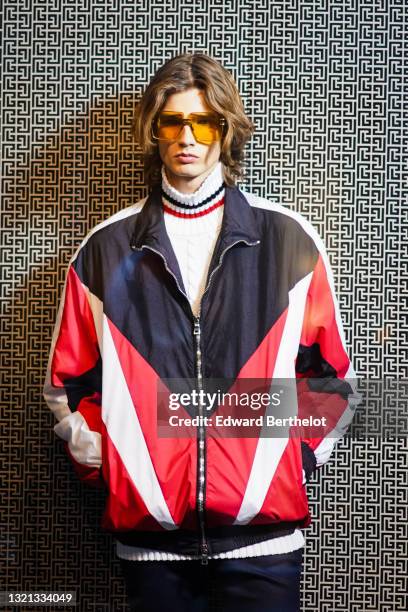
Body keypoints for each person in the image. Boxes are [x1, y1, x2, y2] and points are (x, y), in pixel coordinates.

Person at [43, 53, 358, 611]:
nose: (187, 136)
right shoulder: (104, 251)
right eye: (172, 121)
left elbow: (329, 377)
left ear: (225, 130)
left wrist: (287, 458)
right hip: (151, 546)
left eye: (203, 121)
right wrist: (114, 464)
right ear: (154, 131)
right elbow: (68, 386)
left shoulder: (287, 241)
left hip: (264, 543)